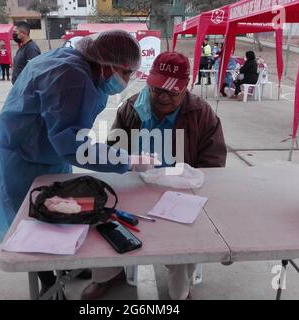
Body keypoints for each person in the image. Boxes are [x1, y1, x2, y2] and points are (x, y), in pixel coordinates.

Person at [0, 30, 144, 298]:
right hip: (24, 159)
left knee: (61, 215)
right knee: (35, 225)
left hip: (44, 150)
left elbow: (67, 131)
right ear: (108, 63)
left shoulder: (76, 62)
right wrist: (127, 161)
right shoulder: (73, 78)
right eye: (126, 73)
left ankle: (66, 268)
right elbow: (73, 146)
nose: (127, 80)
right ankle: (48, 281)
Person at [81, 52, 227, 300]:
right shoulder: (132, 107)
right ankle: (107, 274)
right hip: (135, 184)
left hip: (181, 190)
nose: (163, 98)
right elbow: (113, 151)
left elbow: (213, 165)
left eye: (172, 92)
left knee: (186, 241)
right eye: (158, 90)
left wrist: (187, 189)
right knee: (102, 219)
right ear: (149, 82)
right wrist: (125, 165)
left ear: (186, 86)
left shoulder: (202, 115)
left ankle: (180, 292)